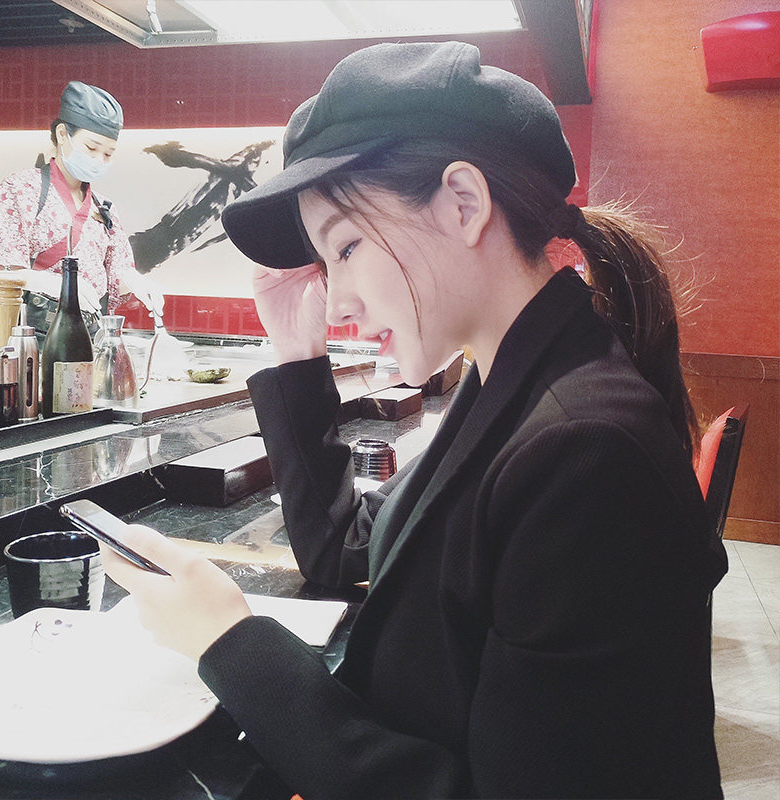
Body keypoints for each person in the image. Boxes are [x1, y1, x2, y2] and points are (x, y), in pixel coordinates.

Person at [100, 42, 727, 799]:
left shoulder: (583, 449)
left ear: (463, 202)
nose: (338, 303)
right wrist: (298, 354)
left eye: (347, 247)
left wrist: (231, 644)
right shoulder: (504, 379)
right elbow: (351, 549)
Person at [0, 80, 163, 335]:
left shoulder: (104, 208)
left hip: (89, 335)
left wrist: (136, 281)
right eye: (91, 147)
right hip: (28, 334)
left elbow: (116, 277)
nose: (99, 159)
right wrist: (50, 283)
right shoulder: (20, 189)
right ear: (62, 134)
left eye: (108, 154)